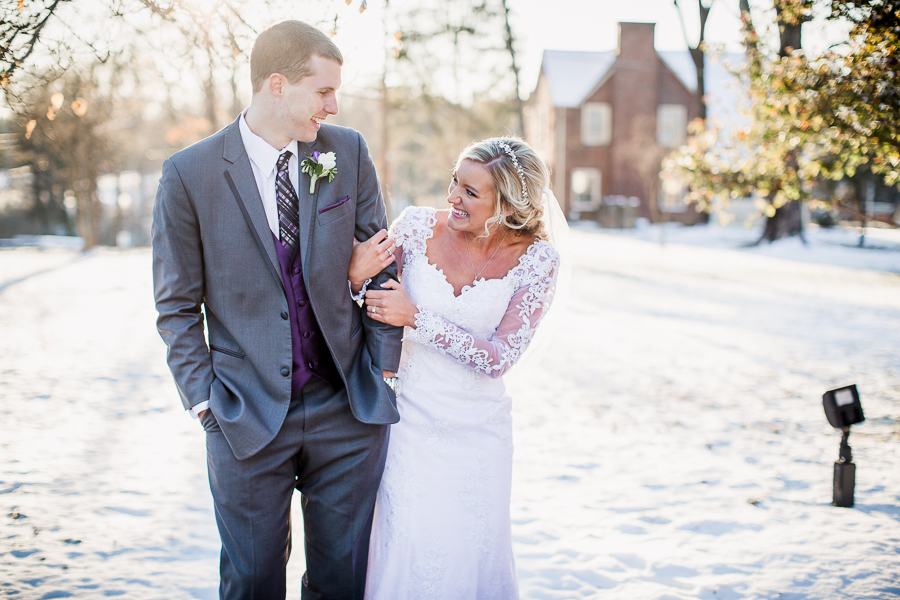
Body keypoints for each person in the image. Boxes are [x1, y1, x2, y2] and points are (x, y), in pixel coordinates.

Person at [151, 21, 402, 600]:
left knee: (343, 583)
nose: (334, 106)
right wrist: (205, 401)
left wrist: (383, 369)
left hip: (348, 410)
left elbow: (381, 261)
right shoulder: (189, 175)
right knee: (252, 581)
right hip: (245, 416)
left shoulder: (346, 152)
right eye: (323, 91)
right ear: (277, 85)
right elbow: (176, 305)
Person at [348, 137, 564, 598]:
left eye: (470, 192)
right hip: (407, 420)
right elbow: (367, 299)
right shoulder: (416, 226)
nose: (451, 198)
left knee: (469, 549)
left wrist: (418, 318)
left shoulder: (539, 261)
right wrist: (353, 278)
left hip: (478, 432)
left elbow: (500, 358)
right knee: (405, 541)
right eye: (454, 182)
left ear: (507, 204)